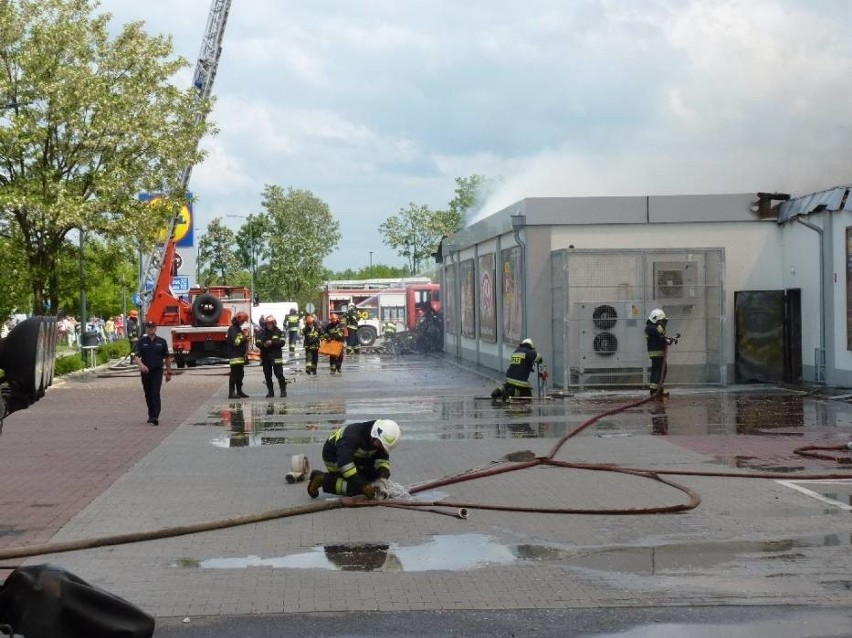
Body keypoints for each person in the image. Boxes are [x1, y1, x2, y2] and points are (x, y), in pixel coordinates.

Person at [307, 419, 401, 499]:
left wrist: (383, 474)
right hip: (335, 459)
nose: (380, 447)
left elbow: (382, 459)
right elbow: (345, 464)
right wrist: (362, 486)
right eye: (380, 444)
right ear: (375, 434)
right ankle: (322, 479)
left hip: (356, 459)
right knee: (357, 489)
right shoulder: (353, 435)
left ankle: (360, 483)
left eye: (383, 446)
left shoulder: (378, 440)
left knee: (373, 483)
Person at [134, 320, 172, 426]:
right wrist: (141, 366)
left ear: (156, 329)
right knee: (148, 393)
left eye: (152, 327)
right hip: (146, 371)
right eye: (148, 327)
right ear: (146, 329)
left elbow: (167, 357)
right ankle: (151, 414)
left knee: (155, 392)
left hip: (157, 371)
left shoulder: (162, 342)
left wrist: (169, 372)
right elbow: (137, 357)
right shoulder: (142, 341)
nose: (150, 329)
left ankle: (155, 416)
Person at [490, 338, 543, 405]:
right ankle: (512, 392)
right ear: (530, 346)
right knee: (527, 395)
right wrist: (534, 353)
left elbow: (520, 364)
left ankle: (498, 391)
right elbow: (540, 358)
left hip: (509, 377)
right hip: (520, 380)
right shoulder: (529, 352)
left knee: (508, 385)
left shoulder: (516, 351)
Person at [645, 308, 675, 398]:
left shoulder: (654, 327)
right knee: (657, 372)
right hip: (655, 353)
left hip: (660, 353)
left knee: (663, 371)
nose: (663, 323)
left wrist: (668, 340)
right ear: (655, 319)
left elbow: (661, 337)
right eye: (661, 321)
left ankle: (660, 390)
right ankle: (653, 391)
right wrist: (665, 337)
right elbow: (660, 332)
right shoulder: (650, 327)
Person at [257, 315, 287, 398]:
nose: (269, 325)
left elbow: (282, 343)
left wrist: (272, 343)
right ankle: (270, 392)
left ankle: (283, 391)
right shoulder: (262, 333)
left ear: (274, 324)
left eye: (271, 324)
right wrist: (263, 344)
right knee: (267, 375)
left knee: (279, 374)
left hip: (276, 356)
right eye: (267, 324)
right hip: (266, 357)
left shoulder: (279, 332)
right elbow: (258, 342)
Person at [227, 311, 250, 399]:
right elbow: (235, 342)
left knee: (240, 374)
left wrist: (245, 338)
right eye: (242, 321)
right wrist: (243, 337)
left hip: (239, 355)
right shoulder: (232, 329)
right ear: (238, 320)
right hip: (234, 356)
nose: (243, 323)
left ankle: (239, 391)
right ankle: (231, 393)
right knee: (234, 374)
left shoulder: (238, 329)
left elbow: (240, 340)